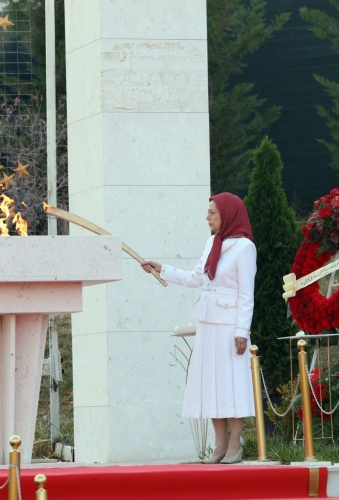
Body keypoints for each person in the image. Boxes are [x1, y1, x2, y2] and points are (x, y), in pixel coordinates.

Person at [141, 192, 256, 464]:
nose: (207, 217)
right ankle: (220, 444)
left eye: (212, 212)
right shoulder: (212, 243)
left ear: (227, 214)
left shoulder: (244, 248)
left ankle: (235, 444)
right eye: (208, 212)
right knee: (212, 383)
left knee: (232, 383)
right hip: (208, 322)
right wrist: (162, 269)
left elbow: (246, 293)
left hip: (230, 326)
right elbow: (196, 278)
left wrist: (242, 331)